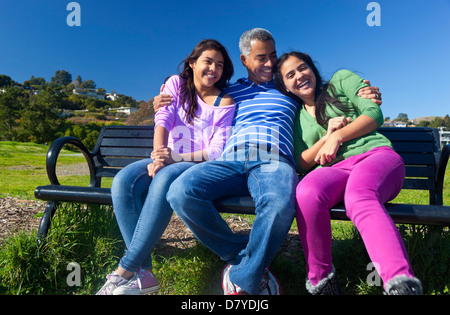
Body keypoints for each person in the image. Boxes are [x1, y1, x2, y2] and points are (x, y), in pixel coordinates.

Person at [160, 28, 383, 295]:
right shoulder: (228, 91)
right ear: (244, 60)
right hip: (232, 157)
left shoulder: (288, 88)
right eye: (261, 57)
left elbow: (324, 91)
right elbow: (192, 100)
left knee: (279, 204)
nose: (270, 63)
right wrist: (163, 100)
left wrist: (365, 91)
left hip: (273, 158)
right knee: (179, 192)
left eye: (273, 56)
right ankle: (244, 256)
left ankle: (244, 280)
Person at [274, 51, 422, 295]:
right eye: (290, 75)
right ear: (286, 87)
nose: (299, 76)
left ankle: (400, 282)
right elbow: (302, 162)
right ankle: (322, 282)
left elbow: (373, 113)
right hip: (334, 169)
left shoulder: (340, 81)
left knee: (359, 195)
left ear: (312, 68)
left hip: (374, 156)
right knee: (306, 193)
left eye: (303, 68)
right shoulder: (297, 117)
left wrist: (340, 135)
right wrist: (327, 138)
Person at [96, 39, 236, 295]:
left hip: (195, 163)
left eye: (219, 65)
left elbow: (216, 151)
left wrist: (171, 160)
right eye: (208, 61)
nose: (213, 69)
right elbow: (163, 120)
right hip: (166, 156)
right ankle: (144, 274)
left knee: (164, 179)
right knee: (123, 181)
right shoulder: (175, 84)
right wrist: (158, 156)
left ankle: (125, 270)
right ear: (192, 63)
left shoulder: (224, 102)